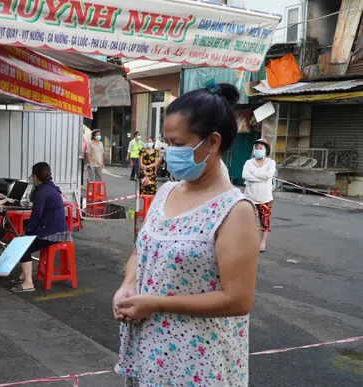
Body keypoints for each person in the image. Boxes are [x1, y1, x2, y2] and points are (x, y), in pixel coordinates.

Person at [112, 83, 259, 387]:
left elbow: (237, 300)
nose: (168, 151)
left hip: (198, 363)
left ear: (212, 142)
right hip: (150, 352)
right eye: (166, 142)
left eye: (176, 143)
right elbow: (142, 252)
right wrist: (128, 285)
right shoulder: (166, 192)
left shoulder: (235, 210)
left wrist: (155, 303)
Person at [9, 162, 72, 293]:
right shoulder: (50, 187)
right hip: (57, 228)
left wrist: (27, 233)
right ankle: (23, 274)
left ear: (35, 177)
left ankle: (28, 283)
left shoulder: (42, 191)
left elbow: (36, 215)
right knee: (26, 229)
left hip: (54, 232)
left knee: (22, 245)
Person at [242, 138, 276, 253]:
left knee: (265, 221)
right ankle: (250, 241)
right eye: (256, 148)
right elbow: (245, 175)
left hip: (265, 198)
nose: (258, 150)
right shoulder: (248, 162)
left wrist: (254, 175)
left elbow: (269, 174)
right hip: (249, 197)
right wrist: (260, 177)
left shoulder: (271, 163)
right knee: (249, 221)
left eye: (260, 148)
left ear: (266, 150)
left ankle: (263, 242)